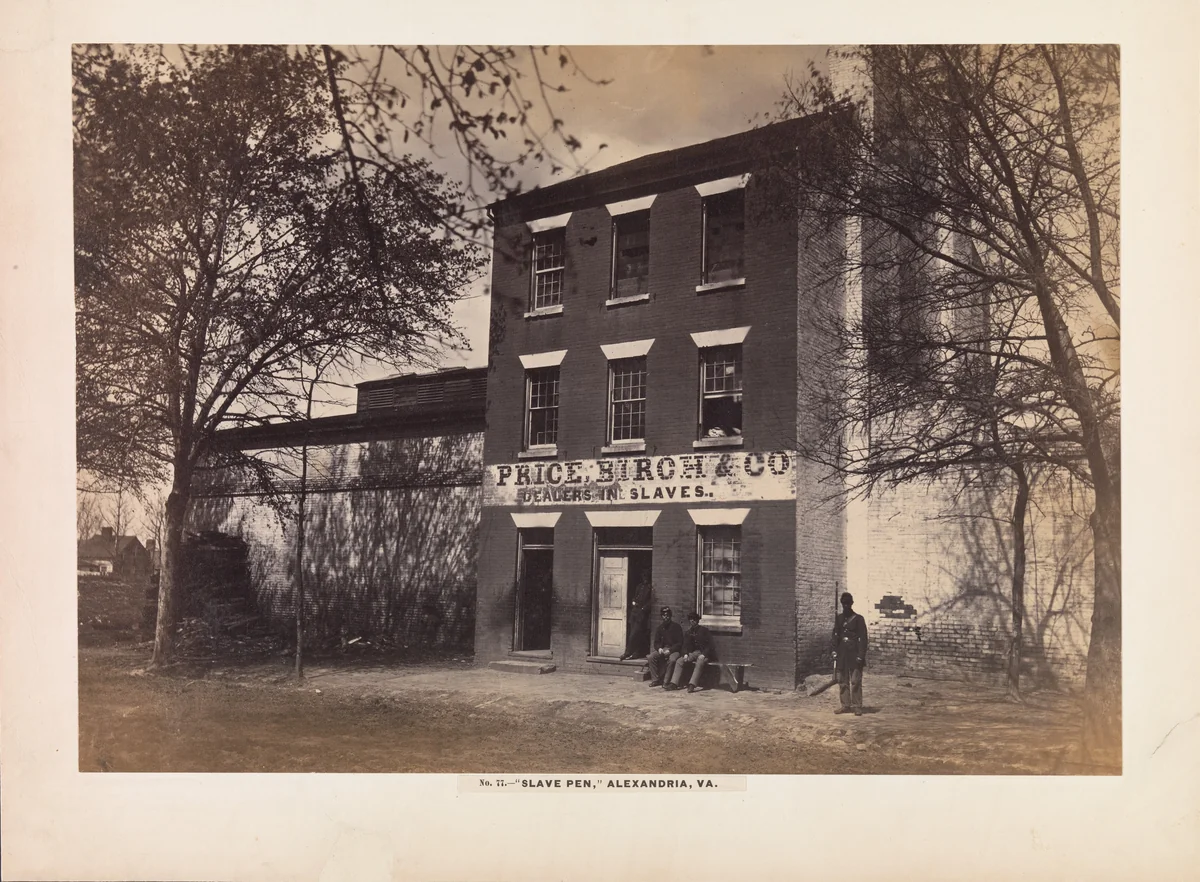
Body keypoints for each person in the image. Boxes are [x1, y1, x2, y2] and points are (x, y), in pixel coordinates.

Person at [832, 591, 868, 715]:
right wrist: (833, 650)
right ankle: (845, 705)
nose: (846, 606)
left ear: (852, 603)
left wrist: (861, 655)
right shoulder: (839, 618)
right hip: (842, 654)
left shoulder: (859, 619)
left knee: (855, 681)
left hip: (855, 653)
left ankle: (857, 706)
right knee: (842, 680)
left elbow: (863, 639)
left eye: (848, 603)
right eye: (844, 604)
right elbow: (835, 636)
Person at [665, 611, 714, 693]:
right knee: (679, 661)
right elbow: (685, 645)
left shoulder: (704, 631)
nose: (692, 621)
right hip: (693, 653)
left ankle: (692, 684)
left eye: (694, 619)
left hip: (703, 653)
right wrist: (685, 654)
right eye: (690, 619)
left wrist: (704, 654)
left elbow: (710, 645)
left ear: (697, 620)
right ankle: (674, 683)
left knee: (700, 662)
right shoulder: (688, 632)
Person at [646, 606, 683, 687]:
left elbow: (680, 643)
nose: (665, 617)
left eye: (667, 615)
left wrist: (670, 650)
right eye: (663, 615)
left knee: (672, 660)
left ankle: (666, 682)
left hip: (675, 650)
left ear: (670, 615)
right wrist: (659, 648)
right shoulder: (660, 628)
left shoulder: (676, 627)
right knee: (651, 657)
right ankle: (655, 680)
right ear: (661, 616)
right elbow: (656, 642)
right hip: (664, 649)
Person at [619, 576, 652, 660]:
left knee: (635, 633)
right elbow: (634, 596)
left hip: (641, 614)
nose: (645, 577)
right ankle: (636, 653)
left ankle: (627, 653)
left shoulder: (650, 587)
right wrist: (633, 602)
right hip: (634, 612)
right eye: (643, 575)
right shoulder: (639, 586)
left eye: (646, 575)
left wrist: (643, 609)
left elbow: (651, 601)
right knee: (633, 633)